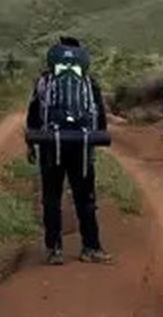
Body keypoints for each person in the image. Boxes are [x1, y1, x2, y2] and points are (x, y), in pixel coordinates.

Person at [26, 36, 112, 265]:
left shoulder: (44, 81)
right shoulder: (90, 83)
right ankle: (91, 247)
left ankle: (54, 250)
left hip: (50, 145)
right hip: (81, 147)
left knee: (52, 198)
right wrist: (94, 139)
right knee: (85, 197)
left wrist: (32, 144)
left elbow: (33, 114)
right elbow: (100, 118)